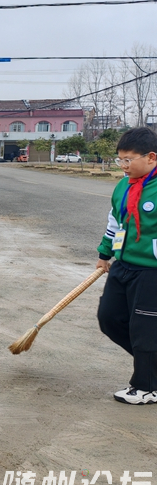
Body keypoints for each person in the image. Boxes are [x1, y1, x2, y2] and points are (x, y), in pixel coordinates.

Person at [96, 127, 157, 405]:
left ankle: (145, 387)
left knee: (144, 330)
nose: (123, 165)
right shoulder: (123, 186)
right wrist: (104, 253)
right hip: (123, 266)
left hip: (151, 272)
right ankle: (153, 369)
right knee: (109, 318)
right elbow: (115, 223)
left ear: (151, 157)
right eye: (120, 159)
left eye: (128, 160)